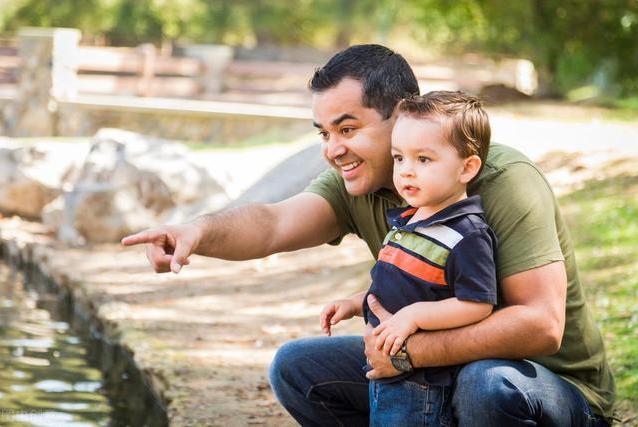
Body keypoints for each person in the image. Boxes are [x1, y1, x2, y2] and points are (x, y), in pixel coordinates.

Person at [121, 44, 615, 426]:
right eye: (324, 133)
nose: (333, 149)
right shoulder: (357, 183)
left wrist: (407, 353)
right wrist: (196, 231)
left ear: (401, 116)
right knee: (297, 369)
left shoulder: (498, 179)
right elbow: (272, 224)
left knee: (485, 386)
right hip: (434, 377)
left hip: (547, 387)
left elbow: (540, 325)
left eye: (348, 128)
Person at [320, 91, 498, 426]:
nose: (406, 172)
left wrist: (414, 316)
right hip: (386, 369)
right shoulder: (408, 220)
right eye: (399, 158)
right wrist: (357, 303)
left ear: (467, 167)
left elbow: (478, 304)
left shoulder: (466, 234)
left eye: (424, 160)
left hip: (421, 381)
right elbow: (403, 285)